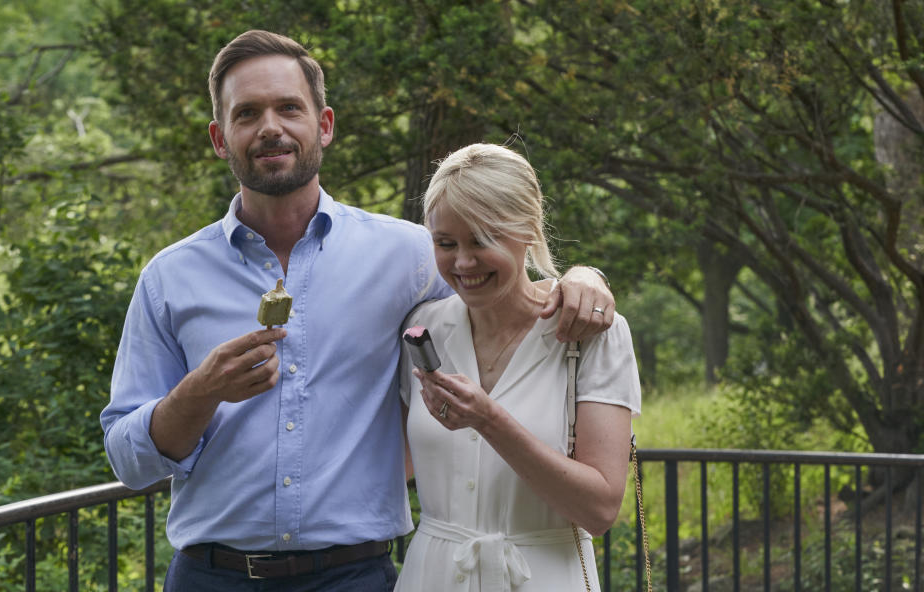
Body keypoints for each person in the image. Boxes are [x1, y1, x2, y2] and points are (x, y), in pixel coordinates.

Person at [100, 30, 616, 592]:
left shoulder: (411, 256)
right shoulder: (168, 279)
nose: (270, 126)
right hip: (212, 576)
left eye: (288, 108)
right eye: (246, 113)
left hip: (355, 577)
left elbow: (500, 291)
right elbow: (130, 463)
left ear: (323, 125)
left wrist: (580, 279)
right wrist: (198, 392)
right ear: (219, 138)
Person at [396, 143, 641, 592]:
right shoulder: (423, 327)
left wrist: (489, 420)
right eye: (445, 243)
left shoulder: (594, 333)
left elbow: (601, 510)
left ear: (528, 230)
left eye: (482, 241)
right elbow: (397, 462)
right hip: (431, 577)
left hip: (544, 576)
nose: (463, 262)